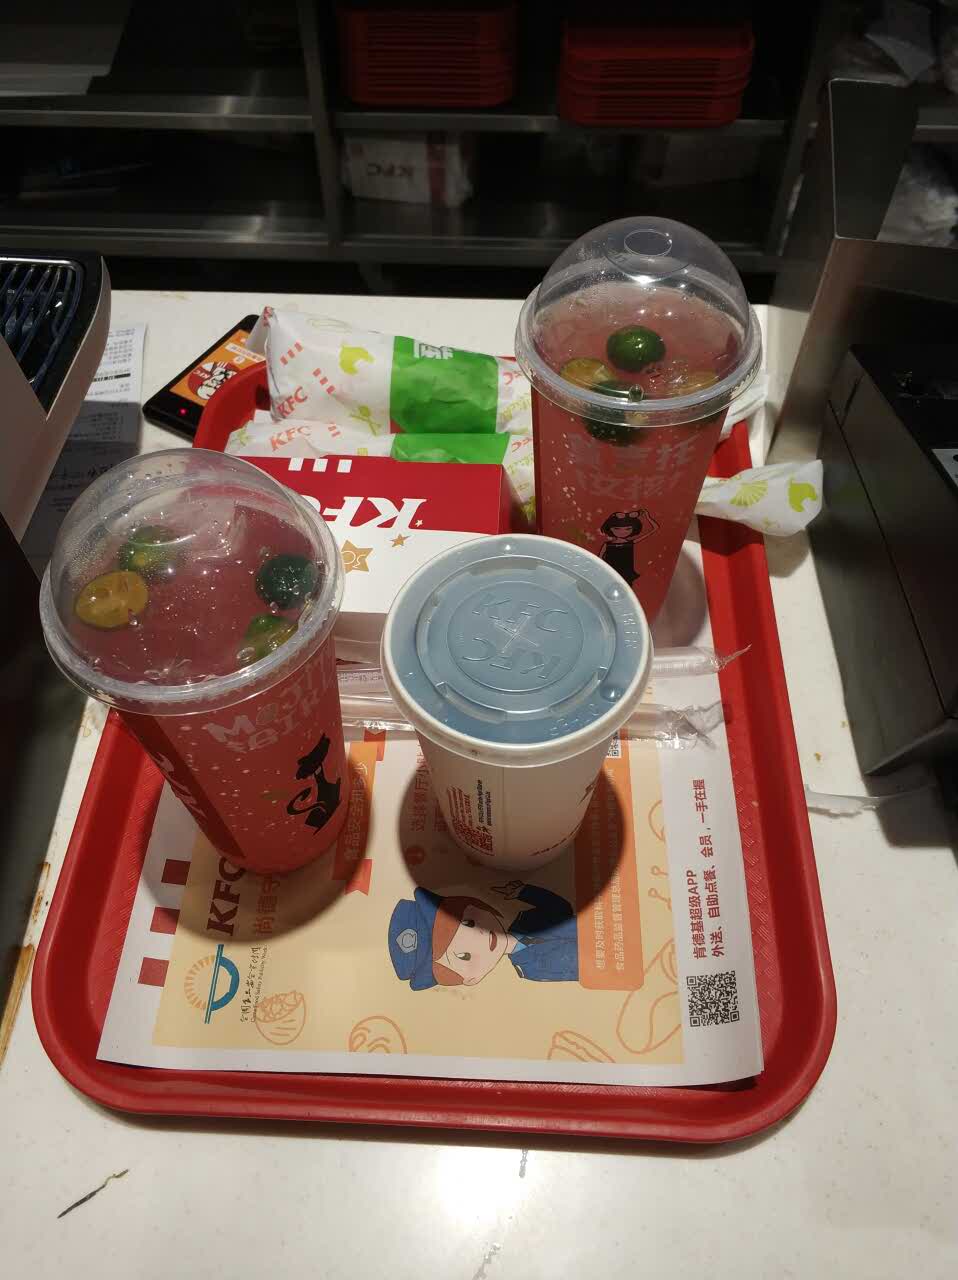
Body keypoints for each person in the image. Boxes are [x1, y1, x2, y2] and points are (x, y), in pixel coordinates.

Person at [388, 880, 578, 989]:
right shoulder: (532, 969)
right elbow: (578, 970)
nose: (478, 937)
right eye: (464, 955)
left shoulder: (525, 919)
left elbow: (563, 909)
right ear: (472, 979)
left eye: (468, 923)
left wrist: (524, 892)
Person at [598, 508, 658, 587]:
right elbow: (599, 559)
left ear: (634, 529)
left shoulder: (630, 543)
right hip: (610, 572)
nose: (622, 532)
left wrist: (647, 517)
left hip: (626, 574)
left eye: (628, 529)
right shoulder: (607, 545)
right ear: (610, 528)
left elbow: (655, 528)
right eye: (616, 528)